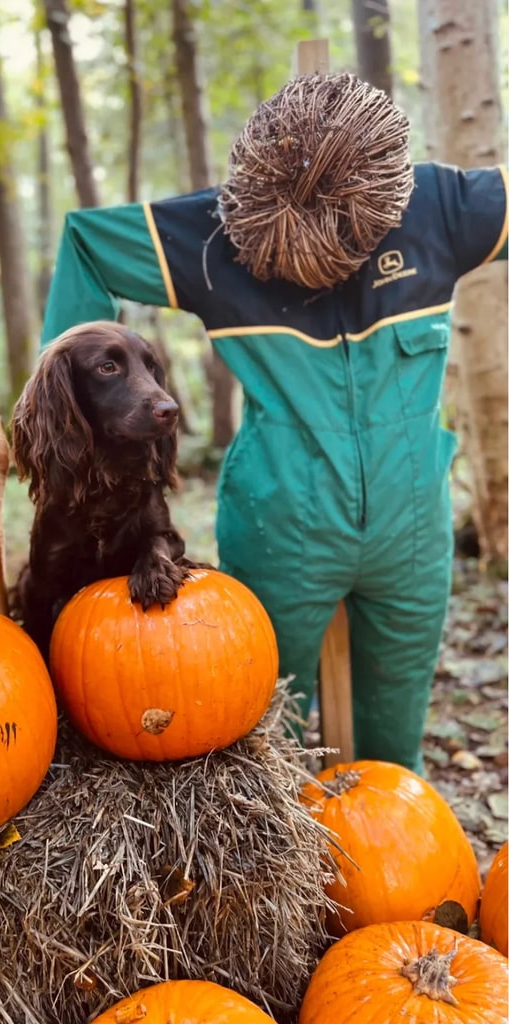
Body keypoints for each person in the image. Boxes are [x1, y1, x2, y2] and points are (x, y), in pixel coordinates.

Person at [37, 71, 508, 773]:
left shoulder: (436, 206)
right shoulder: (214, 235)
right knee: (261, 725)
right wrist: (77, 435)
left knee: (394, 739)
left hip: (412, 531)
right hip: (279, 523)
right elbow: (87, 241)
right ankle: (286, 861)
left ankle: (393, 860)